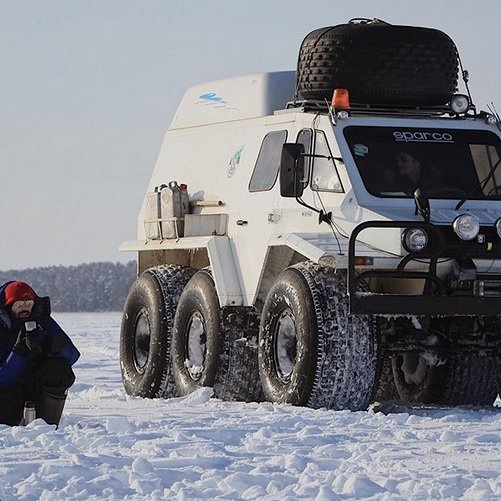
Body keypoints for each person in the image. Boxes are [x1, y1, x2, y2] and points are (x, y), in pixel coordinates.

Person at [0, 281, 80, 426]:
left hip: (34, 384)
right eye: (19, 304)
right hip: (6, 391)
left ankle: (46, 426)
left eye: (28, 303)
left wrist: (51, 345)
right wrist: (19, 353)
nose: (25, 308)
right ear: (8, 305)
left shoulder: (42, 320)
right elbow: (2, 379)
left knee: (59, 369)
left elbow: (72, 355)